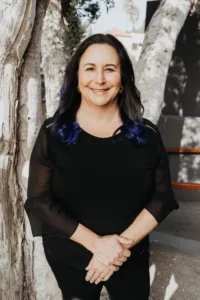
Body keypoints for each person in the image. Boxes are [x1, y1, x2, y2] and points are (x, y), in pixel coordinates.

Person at [24, 33, 179, 300]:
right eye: (90, 69)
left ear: (123, 80)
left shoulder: (147, 135)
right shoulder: (53, 133)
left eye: (110, 69)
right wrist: (97, 245)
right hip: (71, 256)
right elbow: (39, 200)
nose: (99, 79)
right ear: (77, 80)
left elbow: (162, 198)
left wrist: (116, 251)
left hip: (129, 255)